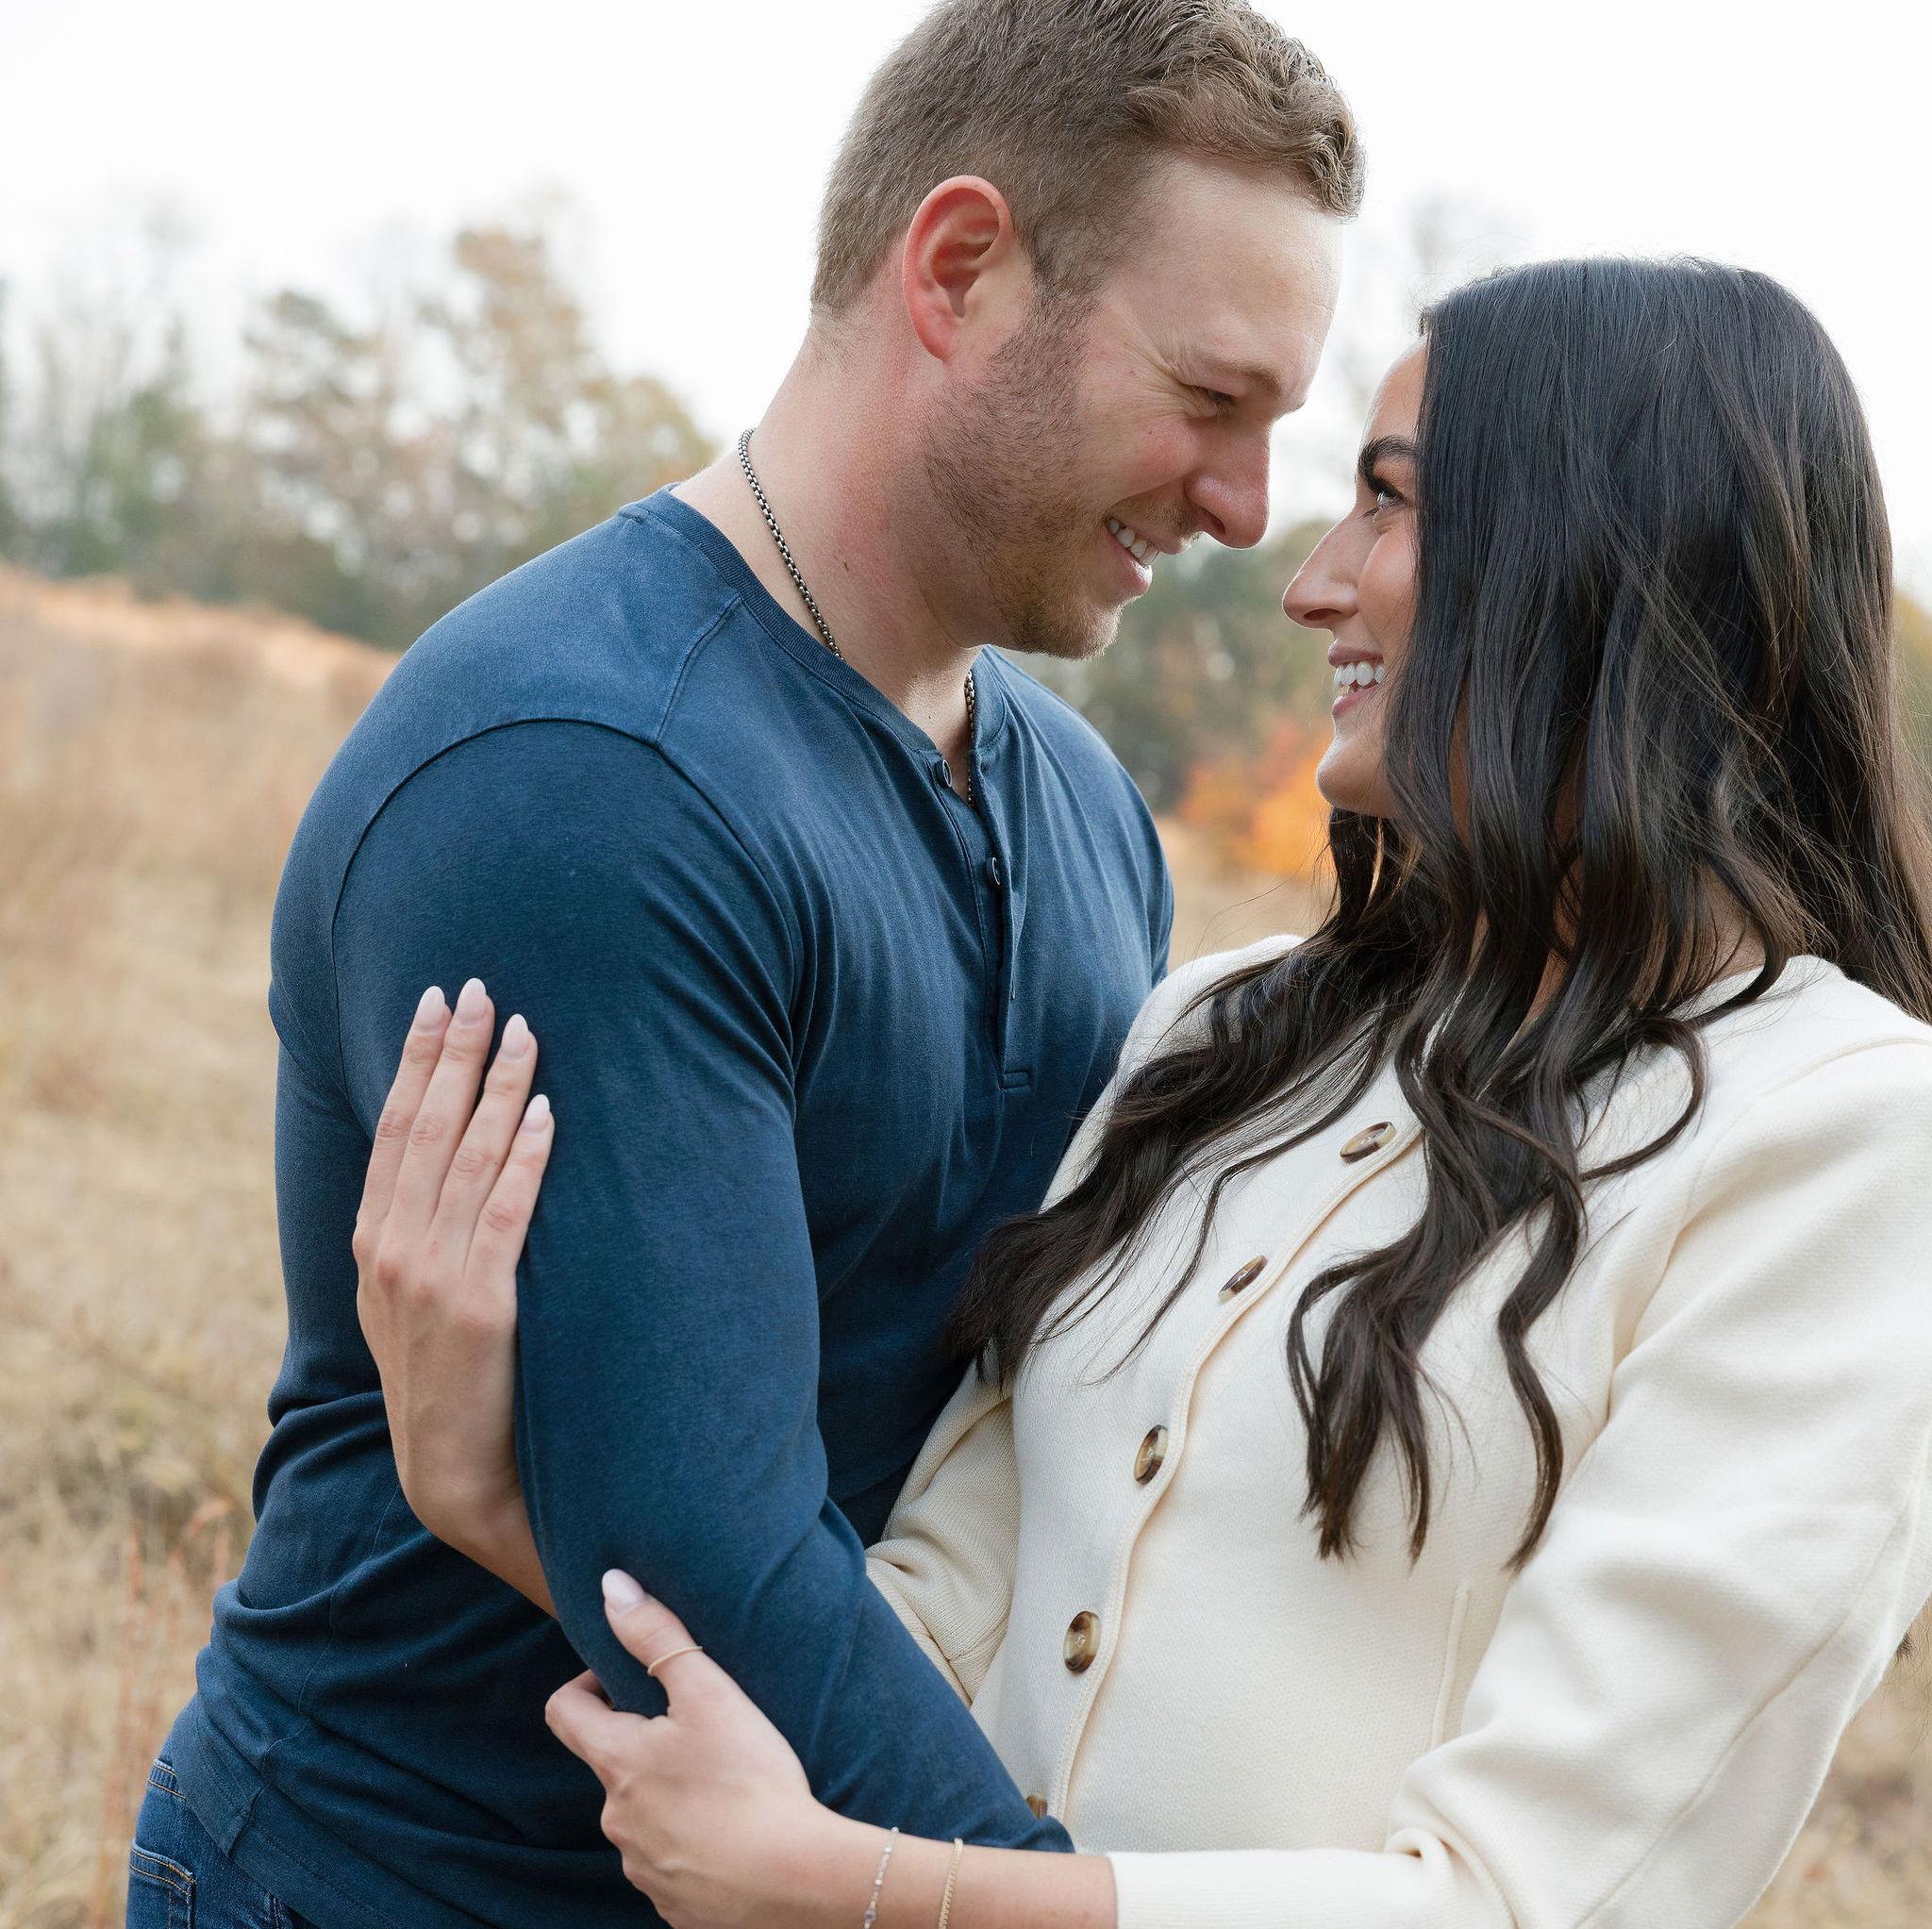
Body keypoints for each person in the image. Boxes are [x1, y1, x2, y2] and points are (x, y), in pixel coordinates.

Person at [360, 255, 1932, 1929]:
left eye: (1389, 503)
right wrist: (507, 1507)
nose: (1310, 582)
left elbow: (1533, 1895)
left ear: (1595, 563)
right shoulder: (1224, 1030)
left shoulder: (1841, 1134)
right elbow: (931, 1627)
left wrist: (881, 1893)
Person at [129, 4, 1360, 1926]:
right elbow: (701, 1548)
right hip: (414, 1876)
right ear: (959, 269)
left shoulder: (1091, 821)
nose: (1245, 506)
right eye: (1211, 397)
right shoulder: (586, 779)